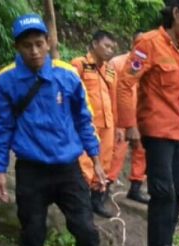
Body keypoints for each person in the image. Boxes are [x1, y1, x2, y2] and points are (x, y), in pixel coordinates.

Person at [0, 14, 104, 246]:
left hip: (68, 168)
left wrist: (96, 159)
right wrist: (0, 169)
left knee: (86, 230)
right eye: (27, 45)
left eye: (39, 43)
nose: (35, 51)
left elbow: (84, 119)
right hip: (31, 170)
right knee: (32, 233)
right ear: (17, 47)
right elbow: (2, 126)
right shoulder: (6, 80)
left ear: (48, 42)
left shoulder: (67, 74)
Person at [117, 0, 179, 246]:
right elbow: (125, 82)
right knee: (163, 193)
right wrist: (130, 125)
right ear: (176, 13)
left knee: (178, 193)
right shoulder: (148, 43)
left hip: (177, 132)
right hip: (155, 131)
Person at [71, 30, 119, 218]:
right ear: (94, 44)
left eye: (112, 48)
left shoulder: (109, 70)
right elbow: (71, 94)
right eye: (106, 46)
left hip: (107, 124)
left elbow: (113, 98)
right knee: (85, 163)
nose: (109, 50)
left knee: (105, 162)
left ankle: (97, 201)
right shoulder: (79, 64)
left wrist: (117, 125)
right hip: (87, 125)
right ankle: (81, 203)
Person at [107, 36, 149, 205]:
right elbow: (110, 91)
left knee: (142, 149)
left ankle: (136, 187)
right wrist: (117, 119)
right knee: (118, 150)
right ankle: (106, 185)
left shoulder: (148, 63)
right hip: (119, 113)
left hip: (140, 113)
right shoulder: (116, 63)